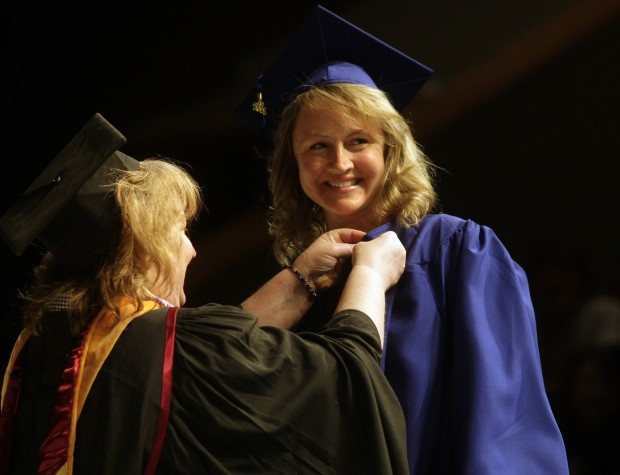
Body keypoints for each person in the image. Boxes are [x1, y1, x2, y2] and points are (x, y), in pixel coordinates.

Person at [236, 5, 570, 474]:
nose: (339, 162)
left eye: (358, 141)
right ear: (291, 163)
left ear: (390, 149)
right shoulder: (303, 284)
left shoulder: (457, 250)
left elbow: (504, 417)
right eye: (317, 145)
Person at [0, 113, 410, 474]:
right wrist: (372, 274)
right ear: (143, 248)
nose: (192, 249)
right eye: (179, 230)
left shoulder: (43, 350)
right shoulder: (165, 345)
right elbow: (342, 378)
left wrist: (300, 276)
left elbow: (203, 362)